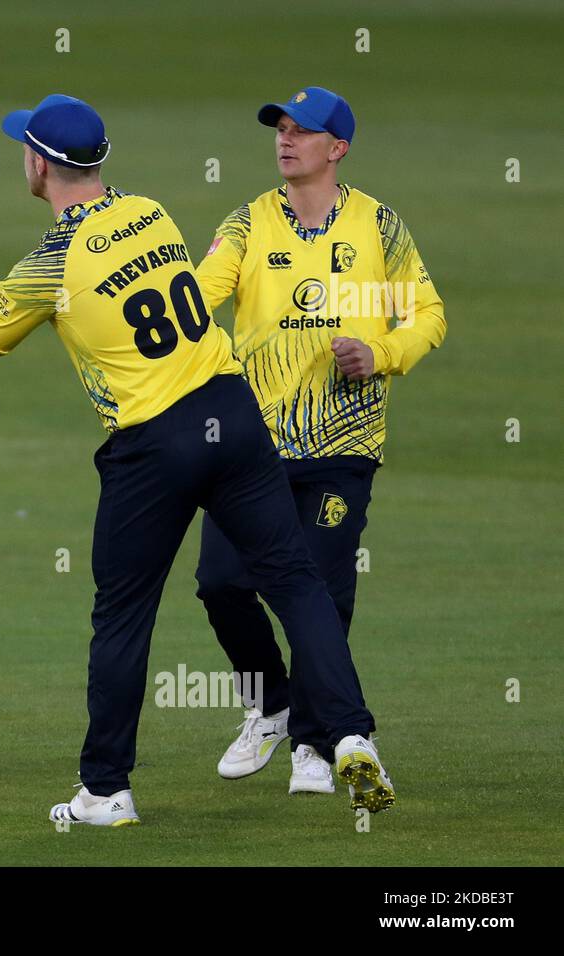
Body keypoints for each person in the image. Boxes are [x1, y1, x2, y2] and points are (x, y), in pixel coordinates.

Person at [0, 94, 393, 824]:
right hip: (234, 413)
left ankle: (105, 790)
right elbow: (99, 293)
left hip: (155, 447)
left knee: (122, 616)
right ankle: (349, 733)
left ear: (40, 164)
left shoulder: (51, 259)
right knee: (296, 581)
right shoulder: (148, 212)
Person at [195, 86, 445, 798]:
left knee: (321, 593)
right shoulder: (246, 225)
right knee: (220, 584)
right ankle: (270, 704)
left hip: (344, 440)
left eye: (303, 132)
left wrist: (380, 354)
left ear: (337, 148)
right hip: (250, 444)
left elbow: (426, 314)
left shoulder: (378, 228)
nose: (284, 139)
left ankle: (314, 742)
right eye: (280, 127)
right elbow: (194, 293)